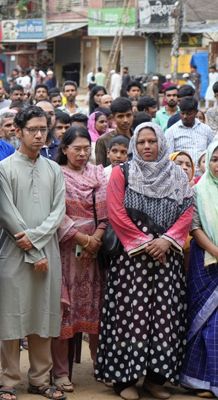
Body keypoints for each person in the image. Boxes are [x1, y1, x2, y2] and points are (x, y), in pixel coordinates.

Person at [95, 122, 193, 400]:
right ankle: (123, 379)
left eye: (152, 141)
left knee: (165, 318)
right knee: (129, 316)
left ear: (161, 143)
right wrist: (145, 243)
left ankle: (154, 380)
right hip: (132, 261)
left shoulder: (177, 174)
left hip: (166, 259)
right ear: (134, 146)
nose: (147, 147)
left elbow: (187, 211)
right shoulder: (122, 172)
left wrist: (167, 240)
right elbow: (115, 212)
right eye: (141, 142)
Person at [0, 106, 66, 400]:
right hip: (13, 253)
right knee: (12, 317)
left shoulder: (54, 169)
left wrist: (36, 245)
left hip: (47, 253)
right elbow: (6, 214)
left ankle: (40, 378)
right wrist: (32, 249)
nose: (39, 135)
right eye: (33, 130)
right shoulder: (4, 168)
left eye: (43, 130)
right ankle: (8, 381)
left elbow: (58, 212)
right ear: (18, 131)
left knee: (43, 315)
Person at [51, 127, 107, 393]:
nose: (83, 153)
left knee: (97, 308)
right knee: (64, 312)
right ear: (64, 149)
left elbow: (107, 211)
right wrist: (81, 239)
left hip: (95, 253)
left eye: (87, 148)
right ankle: (61, 372)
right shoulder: (55, 174)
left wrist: (95, 239)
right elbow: (53, 213)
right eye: (77, 148)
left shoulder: (99, 174)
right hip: (65, 252)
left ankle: (102, 365)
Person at [180, 141, 218, 398]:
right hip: (205, 262)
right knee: (206, 323)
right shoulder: (198, 190)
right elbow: (194, 227)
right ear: (207, 162)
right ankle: (201, 380)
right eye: (215, 159)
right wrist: (216, 252)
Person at [165, 96, 214, 163]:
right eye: (182, 113)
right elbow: (169, 157)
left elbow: (211, 152)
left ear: (196, 112)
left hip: (202, 172)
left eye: (189, 114)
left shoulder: (206, 130)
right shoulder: (171, 132)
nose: (185, 116)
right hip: (181, 172)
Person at [94, 98, 134, 167]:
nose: (125, 120)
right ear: (113, 117)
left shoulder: (138, 139)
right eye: (120, 116)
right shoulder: (103, 140)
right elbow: (100, 170)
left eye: (128, 115)